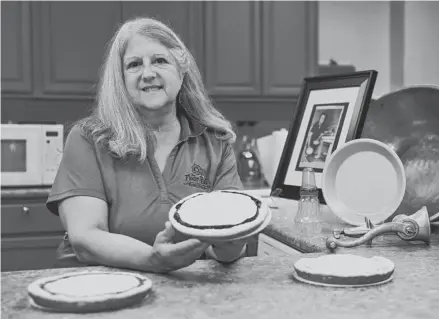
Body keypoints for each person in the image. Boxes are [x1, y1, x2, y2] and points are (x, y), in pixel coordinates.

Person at [46, 17, 247, 273]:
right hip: (92, 287)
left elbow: (228, 248)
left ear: (182, 68)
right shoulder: (88, 138)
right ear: (120, 79)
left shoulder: (215, 142)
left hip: (184, 287)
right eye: (134, 64)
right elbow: (85, 237)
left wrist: (230, 242)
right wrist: (155, 259)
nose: (148, 73)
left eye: (160, 60)